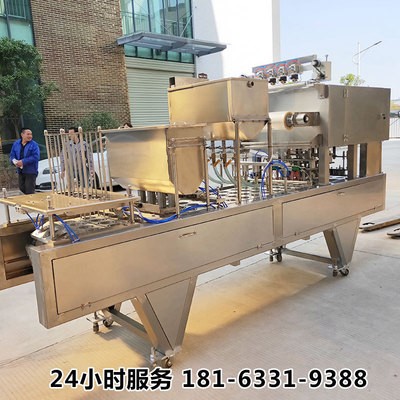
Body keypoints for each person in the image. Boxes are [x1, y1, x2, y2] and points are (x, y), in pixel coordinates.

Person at [9, 128, 40, 194]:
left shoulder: (34, 145)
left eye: (31, 134)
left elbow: (35, 157)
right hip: (20, 170)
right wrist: (14, 161)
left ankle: (31, 199)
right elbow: (12, 155)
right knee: (22, 187)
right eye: (28, 134)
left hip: (31, 171)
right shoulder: (16, 144)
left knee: (29, 190)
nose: (30, 136)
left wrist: (23, 162)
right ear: (22, 135)